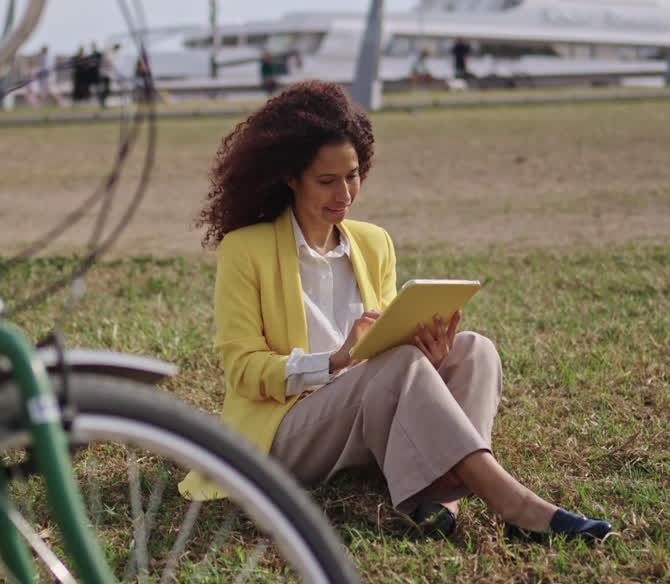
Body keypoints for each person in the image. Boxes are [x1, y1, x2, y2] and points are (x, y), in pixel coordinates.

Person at [178, 80, 612, 544]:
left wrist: (427, 349)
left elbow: (384, 348)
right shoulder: (245, 250)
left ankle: (438, 502)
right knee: (399, 363)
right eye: (326, 181)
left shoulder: (373, 242)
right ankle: (514, 504)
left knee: (474, 351)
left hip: (364, 412)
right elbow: (242, 369)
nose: (343, 193)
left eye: (353, 175)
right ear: (290, 177)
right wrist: (336, 360)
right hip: (284, 432)